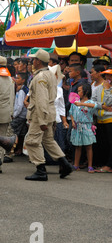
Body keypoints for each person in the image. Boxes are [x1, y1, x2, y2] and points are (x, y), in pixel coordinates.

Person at [24, 49, 74, 181]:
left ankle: (40, 170)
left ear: (38, 61)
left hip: (41, 114)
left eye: (34, 59)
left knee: (32, 142)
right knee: (48, 141)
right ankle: (65, 164)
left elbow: (41, 100)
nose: (32, 62)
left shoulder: (40, 77)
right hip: (50, 112)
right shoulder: (51, 74)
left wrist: (41, 121)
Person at [69, 83, 101, 173]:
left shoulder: (90, 102)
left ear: (86, 92)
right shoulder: (75, 102)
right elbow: (71, 112)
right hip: (77, 126)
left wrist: (81, 103)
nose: (77, 92)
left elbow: (95, 106)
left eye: (79, 90)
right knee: (78, 146)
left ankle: (90, 166)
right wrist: (72, 121)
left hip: (86, 126)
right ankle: (76, 164)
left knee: (88, 146)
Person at [91, 69, 112, 173]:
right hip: (100, 119)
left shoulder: (108, 88)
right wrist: (102, 106)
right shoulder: (99, 88)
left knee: (110, 143)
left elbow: (108, 101)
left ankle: (109, 165)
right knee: (103, 143)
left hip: (110, 119)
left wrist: (108, 89)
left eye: (110, 76)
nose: (108, 78)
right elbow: (93, 101)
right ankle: (104, 164)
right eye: (107, 76)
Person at [11, 72, 29, 156]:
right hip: (22, 115)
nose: (16, 80)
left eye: (18, 78)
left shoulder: (22, 90)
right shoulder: (20, 89)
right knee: (21, 133)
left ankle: (12, 149)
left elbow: (20, 105)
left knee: (14, 132)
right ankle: (19, 149)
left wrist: (14, 115)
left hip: (20, 115)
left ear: (23, 80)